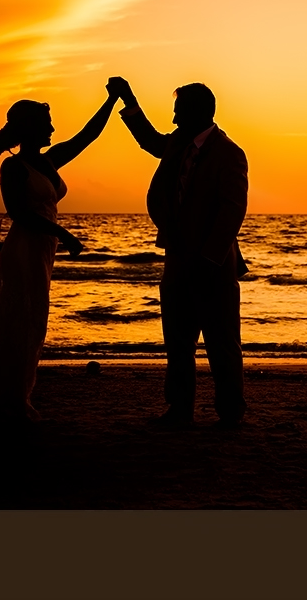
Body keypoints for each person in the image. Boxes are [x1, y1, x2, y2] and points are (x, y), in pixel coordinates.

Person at [0, 85, 119, 422]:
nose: (53, 129)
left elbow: (88, 136)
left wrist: (111, 100)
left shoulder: (49, 160)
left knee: (33, 321)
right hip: (25, 248)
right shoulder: (14, 168)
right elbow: (18, 213)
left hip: (43, 249)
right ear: (30, 128)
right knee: (20, 318)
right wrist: (63, 233)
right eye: (47, 123)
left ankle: (14, 393)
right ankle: (4, 394)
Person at [108, 77, 248, 428]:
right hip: (177, 258)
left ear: (198, 112)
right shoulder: (177, 144)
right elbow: (150, 140)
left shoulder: (229, 153)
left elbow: (232, 211)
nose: (172, 120)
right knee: (178, 340)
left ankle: (230, 413)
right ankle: (179, 409)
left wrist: (209, 258)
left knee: (222, 343)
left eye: (178, 112)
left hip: (214, 264)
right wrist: (129, 98)